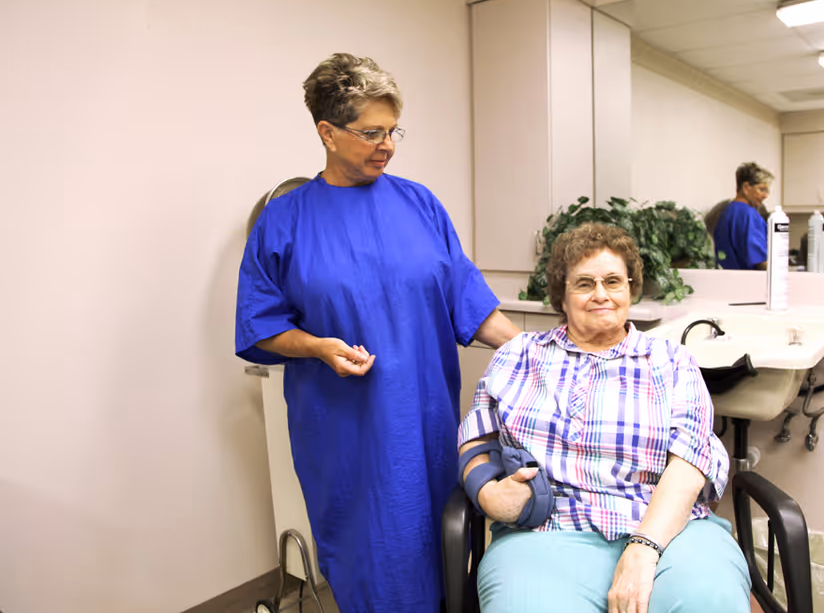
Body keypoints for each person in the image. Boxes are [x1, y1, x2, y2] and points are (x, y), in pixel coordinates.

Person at [235, 53, 520, 613]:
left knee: (440, 543)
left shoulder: (420, 204)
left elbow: (467, 298)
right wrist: (317, 346)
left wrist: (540, 350)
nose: (387, 145)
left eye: (393, 131)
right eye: (371, 133)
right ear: (327, 132)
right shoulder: (285, 220)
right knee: (370, 559)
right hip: (345, 432)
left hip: (426, 418)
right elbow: (260, 324)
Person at [458, 223, 750, 613]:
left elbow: (690, 462)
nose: (601, 294)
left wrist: (644, 548)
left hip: (667, 529)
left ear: (630, 289)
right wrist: (488, 492)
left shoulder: (671, 361)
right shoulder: (518, 355)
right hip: (546, 533)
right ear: (561, 294)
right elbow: (475, 441)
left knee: (708, 600)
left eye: (613, 281)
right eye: (584, 284)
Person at [712, 162, 775, 270]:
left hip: (726, 279)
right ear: (746, 187)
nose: (766, 195)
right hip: (748, 281)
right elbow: (760, 261)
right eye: (762, 189)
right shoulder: (749, 215)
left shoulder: (725, 212)